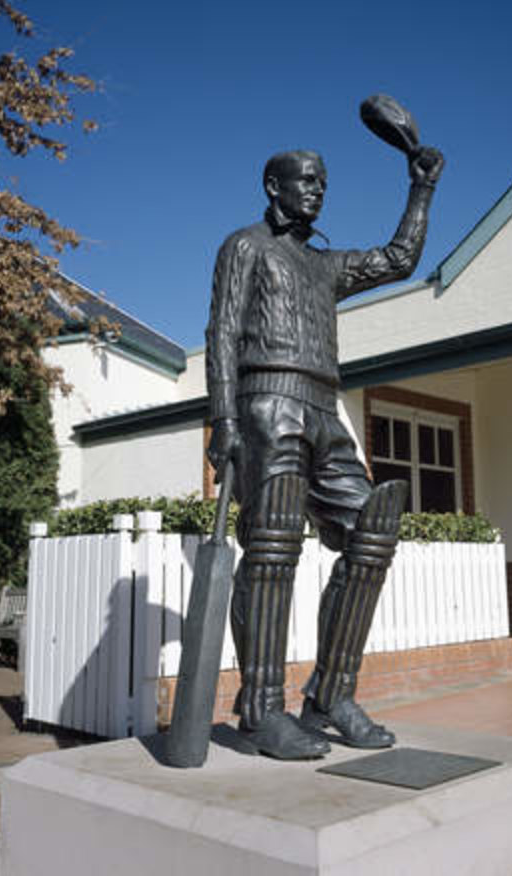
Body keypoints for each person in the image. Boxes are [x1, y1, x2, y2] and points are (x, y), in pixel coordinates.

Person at [206, 144, 444, 760]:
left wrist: (419, 191)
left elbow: (398, 259)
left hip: (324, 408)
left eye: (322, 182)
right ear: (273, 184)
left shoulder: (324, 265)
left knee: (373, 526)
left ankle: (330, 694)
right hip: (267, 401)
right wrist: (225, 418)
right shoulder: (244, 246)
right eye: (306, 180)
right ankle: (261, 709)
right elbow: (224, 332)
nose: (316, 190)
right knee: (273, 549)